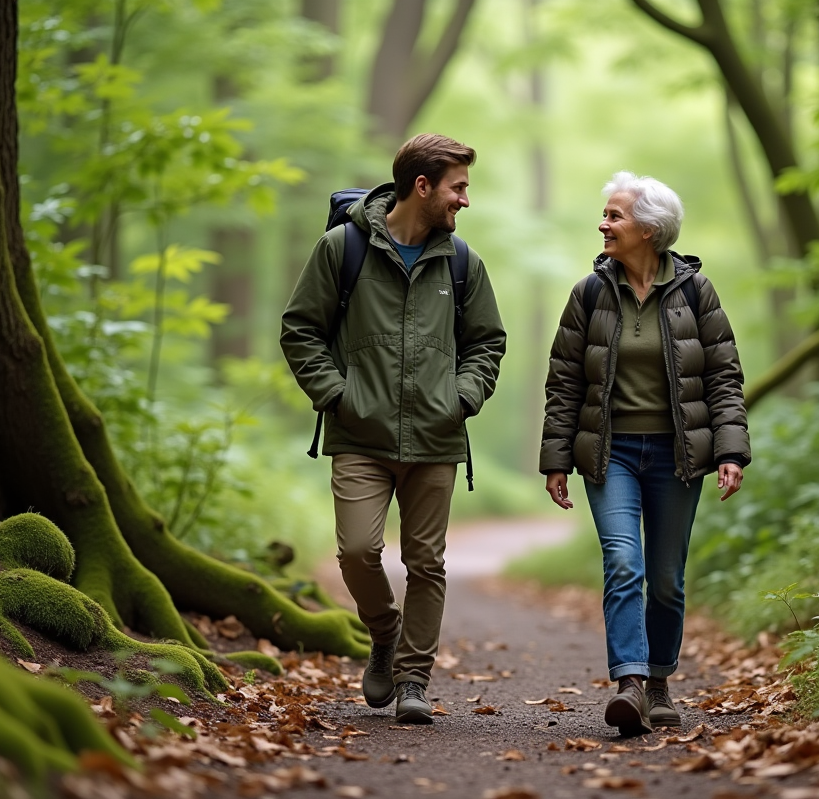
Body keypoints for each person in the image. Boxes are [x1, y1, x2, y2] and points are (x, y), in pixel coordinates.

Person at [281, 134, 506, 724]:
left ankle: (413, 680)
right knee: (358, 551)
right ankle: (385, 633)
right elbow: (300, 330)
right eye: (458, 187)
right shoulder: (342, 249)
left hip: (436, 438)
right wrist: (337, 395)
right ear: (422, 186)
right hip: (361, 433)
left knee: (427, 563)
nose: (464, 200)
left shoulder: (462, 263)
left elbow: (487, 342)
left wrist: (463, 397)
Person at [539, 172, 749, 735]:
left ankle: (659, 683)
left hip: (677, 454)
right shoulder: (589, 293)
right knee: (623, 561)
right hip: (612, 454)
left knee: (666, 578)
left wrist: (731, 450)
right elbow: (563, 381)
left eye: (615, 216)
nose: (603, 225)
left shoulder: (696, 292)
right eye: (605, 215)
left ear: (650, 230)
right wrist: (556, 458)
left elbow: (724, 376)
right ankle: (629, 682)